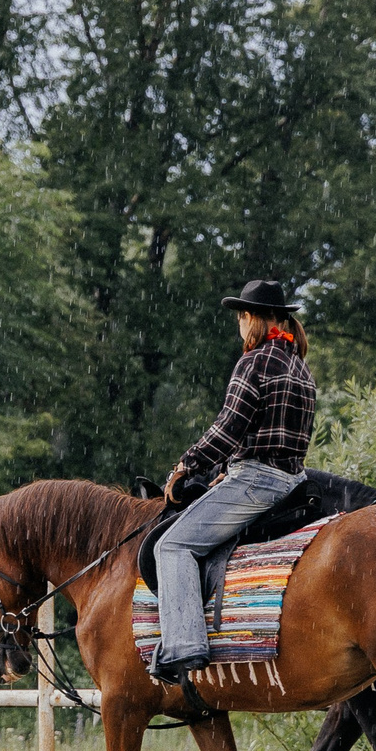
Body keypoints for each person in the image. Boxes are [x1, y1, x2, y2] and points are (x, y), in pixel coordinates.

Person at [151, 279, 319, 683]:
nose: (239, 327)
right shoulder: (300, 367)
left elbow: (228, 427)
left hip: (257, 481)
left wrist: (186, 466)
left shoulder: (255, 361)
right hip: (293, 479)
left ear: (250, 318)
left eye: (240, 318)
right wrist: (229, 464)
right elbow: (272, 434)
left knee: (172, 545)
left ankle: (184, 646)